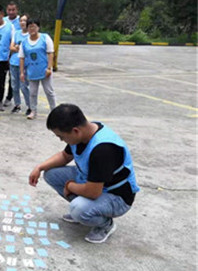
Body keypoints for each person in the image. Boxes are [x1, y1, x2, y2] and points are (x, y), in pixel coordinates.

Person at [29, 104, 140, 244]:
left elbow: (93, 192)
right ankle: (84, 208)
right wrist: (39, 167)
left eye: (61, 137)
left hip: (117, 196)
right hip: (91, 181)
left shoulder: (103, 149)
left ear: (75, 131)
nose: (61, 140)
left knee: (79, 209)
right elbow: (65, 156)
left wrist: (70, 186)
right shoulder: (84, 132)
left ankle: (105, 225)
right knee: (50, 173)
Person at [19, 18, 56, 120]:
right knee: (32, 93)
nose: (32, 29)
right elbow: (21, 58)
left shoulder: (45, 38)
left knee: (49, 91)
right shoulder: (24, 42)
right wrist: (22, 72)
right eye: (30, 27)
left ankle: (54, 111)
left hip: (44, 70)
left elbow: (50, 53)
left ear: (38, 27)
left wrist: (49, 68)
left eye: (34, 26)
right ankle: (33, 111)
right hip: (32, 70)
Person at [9, 14, 30, 114]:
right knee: (14, 85)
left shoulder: (30, 34)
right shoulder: (16, 33)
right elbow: (11, 47)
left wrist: (19, 48)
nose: (22, 23)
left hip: (25, 65)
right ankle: (17, 105)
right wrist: (17, 48)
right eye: (21, 20)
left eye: (25, 21)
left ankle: (30, 106)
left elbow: (28, 49)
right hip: (13, 62)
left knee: (24, 86)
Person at [3, 1, 22, 107]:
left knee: (13, 78)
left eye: (13, 10)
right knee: (0, 76)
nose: (11, 12)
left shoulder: (21, 21)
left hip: (15, 53)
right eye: (9, 10)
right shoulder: (4, 21)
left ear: (17, 10)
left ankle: (9, 97)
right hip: (3, 53)